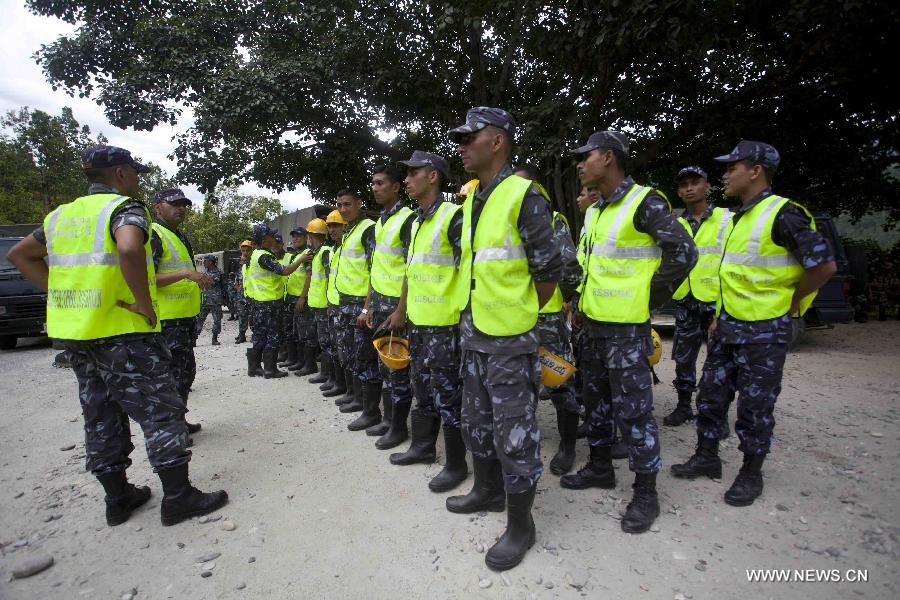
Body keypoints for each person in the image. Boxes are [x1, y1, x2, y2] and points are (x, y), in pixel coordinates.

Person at [7, 145, 227, 527]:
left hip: (77, 333)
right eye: (135, 172)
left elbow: (19, 255)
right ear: (121, 174)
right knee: (161, 410)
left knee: (100, 412)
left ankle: (118, 497)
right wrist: (143, 302)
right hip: (123, 332)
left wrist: (61, 296)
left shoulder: (61, 216)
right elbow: (127, 247)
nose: (138, 179)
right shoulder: (123, 209)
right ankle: (178, 496)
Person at [671, 141, 837, 507]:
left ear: (755, 171)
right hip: (728, 324)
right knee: (712, 394)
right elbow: (733, 274)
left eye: (732, 167)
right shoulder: (739, 216)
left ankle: (751, 472)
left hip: (764, 330)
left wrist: (790, 302)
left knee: (755, 404)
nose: (725, 174)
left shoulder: (783, 214)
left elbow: (823, 266)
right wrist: (719, 315)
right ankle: (707, 456)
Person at [443, 107, 562, 571]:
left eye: (469, 138)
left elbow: (549, 273)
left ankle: (521, 526)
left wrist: (520, 316)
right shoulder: (475, 199)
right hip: (474, 336)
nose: (461, 146)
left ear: (497, 141)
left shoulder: (524, 194)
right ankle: (487, 490)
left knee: (515, 435)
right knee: (477, 422)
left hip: (510, 341)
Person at [564, 131, 697, 535]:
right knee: (597, 402)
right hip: (593, 324)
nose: (579, 164)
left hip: (625, 328)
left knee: (635, 412)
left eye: (585, 157)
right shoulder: (595, 210)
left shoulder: (644, 202)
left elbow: (685, 252)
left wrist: (648, 295)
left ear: (608, 157)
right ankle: (601, 467)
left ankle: (645, 492)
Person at [383, 151, 468, 491]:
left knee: (450, 396)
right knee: (422, 387)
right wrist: (401, 310)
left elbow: (469, 270)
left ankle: (456, 464)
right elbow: (411, 271)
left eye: (412, 173)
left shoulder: (454, 217)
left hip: (445, 326)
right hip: (419, 323)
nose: (406, 180)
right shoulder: (417, 221)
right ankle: (422, 447)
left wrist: (465, 320)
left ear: (432, 176)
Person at [513, 164, 584, 476]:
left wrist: (564, 298)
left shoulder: (552, 221)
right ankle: (523, 443)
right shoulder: (502, 221)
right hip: (511, 318)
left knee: (559, 382)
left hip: (546, 317)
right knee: (518, 383)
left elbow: (570, 267)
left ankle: (568, 446)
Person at [663, 167, 732, 426]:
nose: (689, 188)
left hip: (715, 302)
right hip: (685, 300)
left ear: (707, 186)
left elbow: (732, 262)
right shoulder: (675, 223)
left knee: (719, 361)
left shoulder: (727, 220)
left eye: (694, 183)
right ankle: (683, 406)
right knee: (683, 358)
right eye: (683, 185)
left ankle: (717, 415)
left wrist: (724, 308)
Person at [358, 164, 415, 436]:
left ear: (395, 187)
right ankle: (389, 420)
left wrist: (401, 310)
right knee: (384, 366)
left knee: (398, 367)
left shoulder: (407, 219)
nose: (375, 187)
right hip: (379, 304)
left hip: (396, 306)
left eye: (381, 183)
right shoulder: (382, 221)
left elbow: (410, 268)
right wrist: (368, 305)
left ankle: (398, 427)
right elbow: (376, 269)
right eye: (373, 183)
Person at [150, 188, 211, 440]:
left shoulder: (178, 236)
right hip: (167, 321)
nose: (181, 208)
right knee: (172, 376)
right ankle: (172, 431)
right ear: (157, 207)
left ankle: (179, 421)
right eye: (174, 203)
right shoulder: (153, 235)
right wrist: (187, 274)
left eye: (184, 204)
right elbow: (146, 278)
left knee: (184, 373)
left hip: (183, 319)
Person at [333, 190, 382, 422]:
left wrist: (367, 307)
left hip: (359, 305)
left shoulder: (368, 228)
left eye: (347, 204)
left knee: (365, 358)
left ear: (360, 204)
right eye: (339, 205)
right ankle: (356, 398)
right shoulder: (348, 230)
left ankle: (371, 411)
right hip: (345, 303)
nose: (343, 209)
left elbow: (375, 270)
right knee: (351, 354)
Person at [245, 224, 303, 378]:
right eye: (271, 236)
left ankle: (255, 367)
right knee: (273, 336)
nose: (274, 238)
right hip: (269, 303)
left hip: (260, 302)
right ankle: (270, 369)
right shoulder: (264, 256)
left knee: (259, 335)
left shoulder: (256, 254)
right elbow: (285, 271)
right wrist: (301, 259)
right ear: (265, 239)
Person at [300, 218, 332, 383]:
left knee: (326, 342)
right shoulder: (318, 252)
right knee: (322, 340)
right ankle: (326, 374)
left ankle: (327, 375)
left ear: (311, 236)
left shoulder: (325, 251)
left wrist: (329, 304)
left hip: (324, 305)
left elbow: (330, 279)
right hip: (318, 304)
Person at [321, 210, 349, 398]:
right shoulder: (333, 250)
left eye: (336, 225)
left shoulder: (348, 247)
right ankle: (339, 383)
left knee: (346, 348)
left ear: (345, 226)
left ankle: (348, 389)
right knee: (335, 345)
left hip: (345, 305)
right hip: (332, 304)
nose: (332, 229)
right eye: (329, 226)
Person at [279, 227, 314, 372]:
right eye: (293, 236)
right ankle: (296, 360)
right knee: (294, 332)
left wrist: (302, 297)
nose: (295, 239)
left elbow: (309, 276)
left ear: (306, 237)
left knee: (305, 333)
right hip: (291, 297)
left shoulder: (307, 254)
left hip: (301, 299)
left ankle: (308, 365)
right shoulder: (294, 255)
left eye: (298, 236)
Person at [196, 255, 225, 346]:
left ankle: (214, 338)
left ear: (211, 262)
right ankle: (194, 338)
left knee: (217, 320)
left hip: (215, 301)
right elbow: (200, 283)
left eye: (205, 261)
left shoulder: (218, 272)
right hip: (204, 300)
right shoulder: (203, 271)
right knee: (199, 319)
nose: (204, 263)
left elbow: (211, 282)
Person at [234, 240, 254, 343]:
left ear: (252, 250)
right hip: (242, 295)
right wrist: (237, 286)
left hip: (253, 295)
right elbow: (238, 278)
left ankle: (255, 334)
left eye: (247, 250)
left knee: (253, 316)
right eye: (243, 251)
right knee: (242, 315)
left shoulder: (255, 263)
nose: (245, 253)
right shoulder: (242, 265)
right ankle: (242, 335)